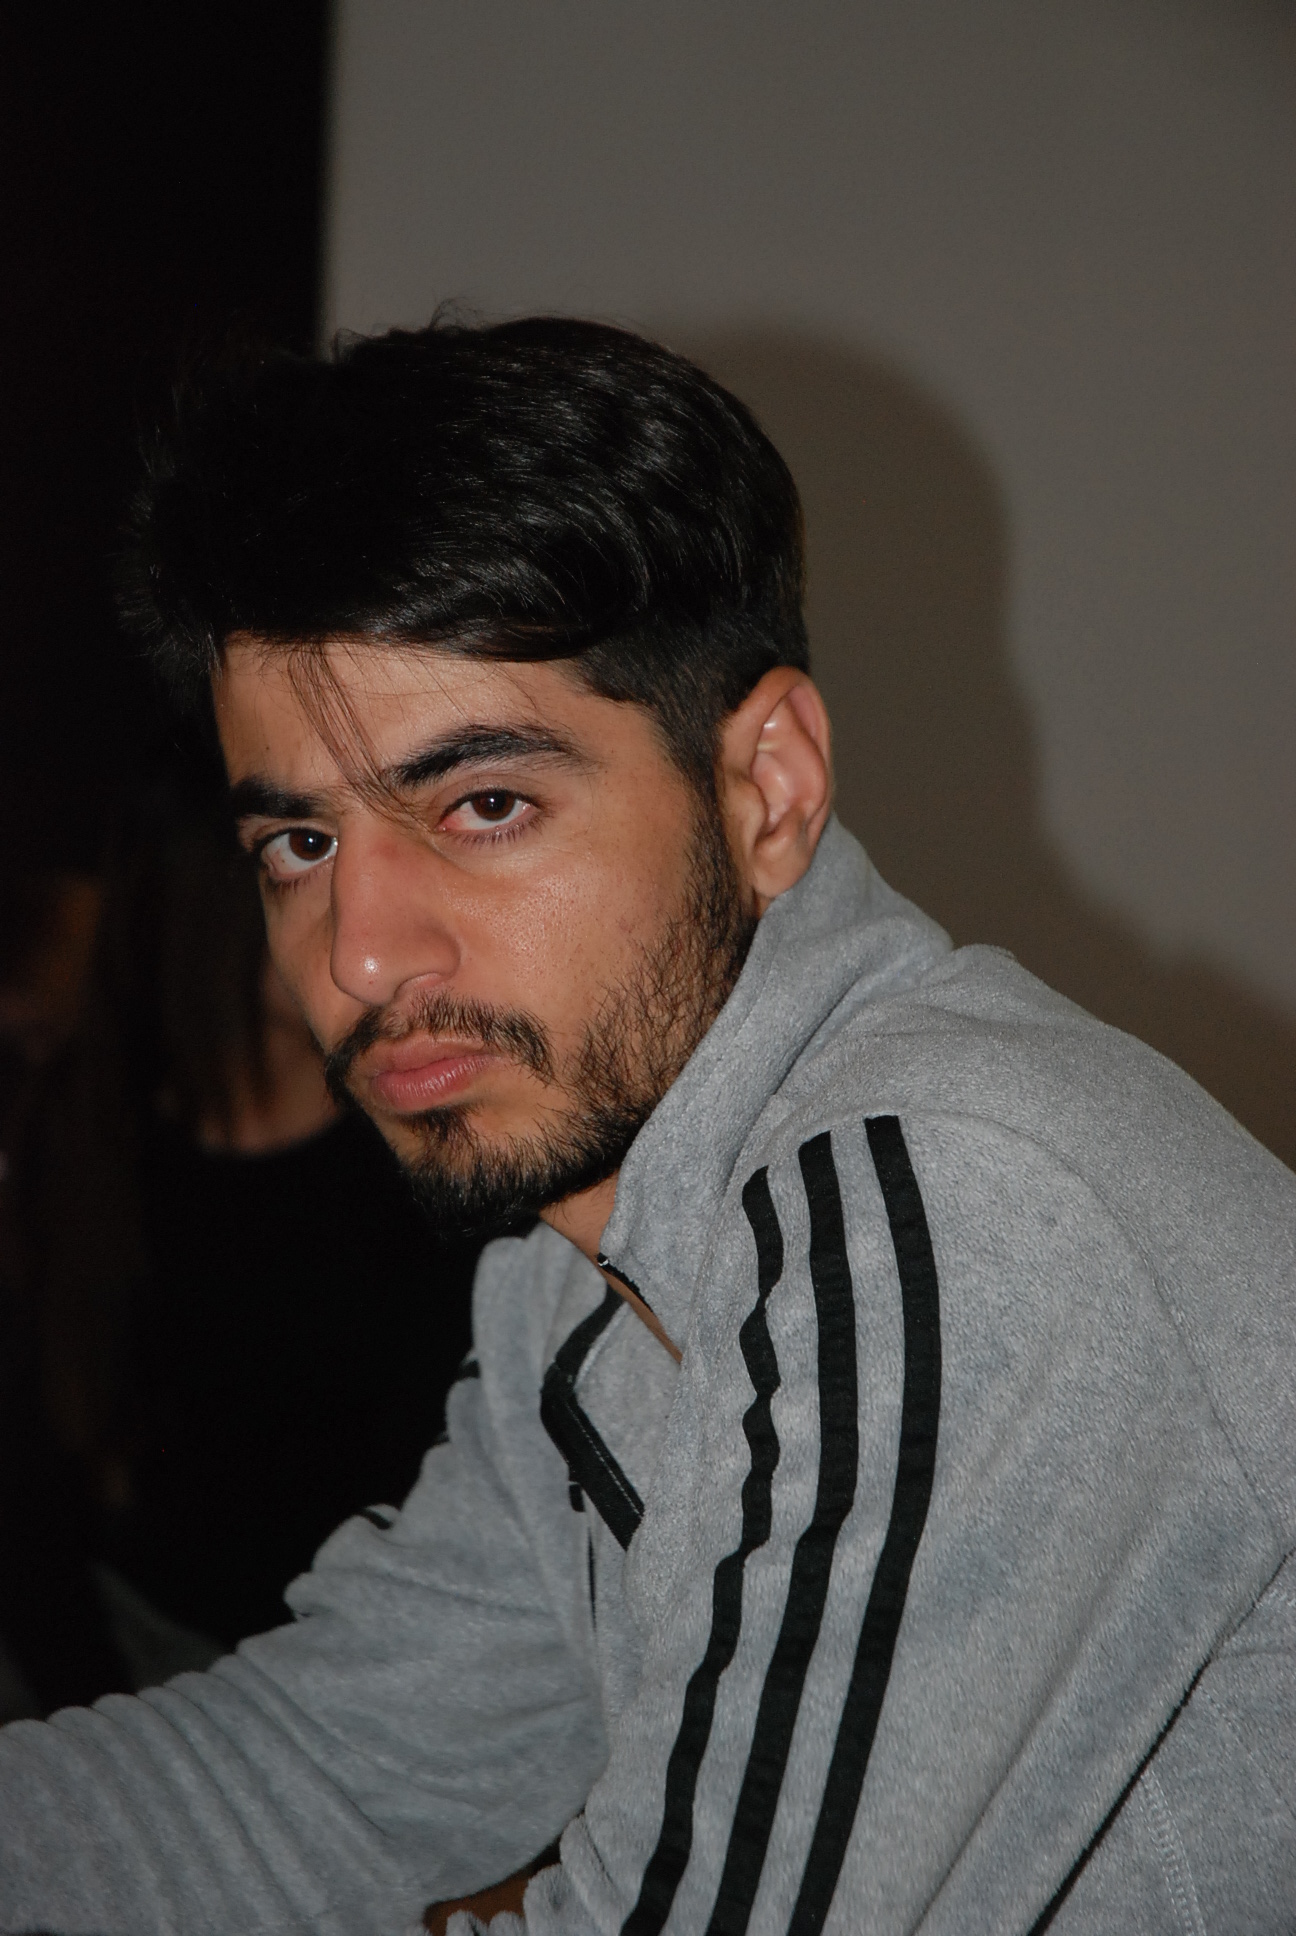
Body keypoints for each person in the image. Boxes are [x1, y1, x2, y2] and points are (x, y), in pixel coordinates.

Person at [0, 317, 1292, 1936]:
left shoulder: (952, 1201)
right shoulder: (580, 1266)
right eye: (300, 846)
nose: (362, 957)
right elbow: (326, 1779)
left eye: (484, 806)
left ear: (767, 789)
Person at [0, 763, 479, 1713]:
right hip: (157, 1655)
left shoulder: (433, 1137)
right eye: (300, 865)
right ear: (213, 915)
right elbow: (32, 1474)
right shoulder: (89, 1144)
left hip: (394, 1672)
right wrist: (96, 1711)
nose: (366, 936)